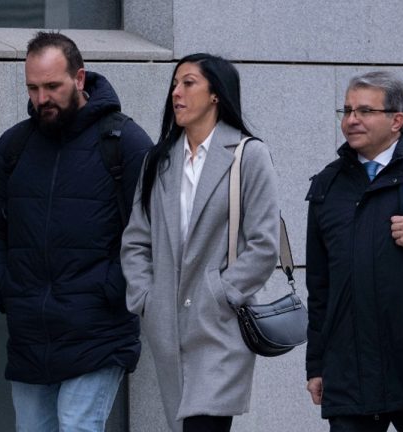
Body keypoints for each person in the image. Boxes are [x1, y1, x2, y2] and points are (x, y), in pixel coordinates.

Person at [0, 31, 152, 432]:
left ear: (79, 78)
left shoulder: (124, 142)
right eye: (33, 88)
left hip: (97, 331)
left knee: (77, 427)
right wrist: (5, 289)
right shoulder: (13, 146)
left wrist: (112, 291)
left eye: (52, 86)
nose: (42, 99)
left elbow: (150, 233)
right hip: (30, 335)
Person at [120, 53, 280, 432]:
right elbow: (136, 241)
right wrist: (147, 297)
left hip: (219, 328)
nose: (176, 92)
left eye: (188, 83)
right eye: (174, 84)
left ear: (215, 95)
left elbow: (263, 245)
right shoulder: (158, 161)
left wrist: (220, 294)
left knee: (203, 425)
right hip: (168, 327)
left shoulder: (248, 155)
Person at [305, 71, 403, 431]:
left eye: (364, 110)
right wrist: (316, 365)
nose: (351, 120)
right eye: (346, 110)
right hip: (350, 370)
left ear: (397, 120)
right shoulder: (327, 186)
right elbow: (319, 286)